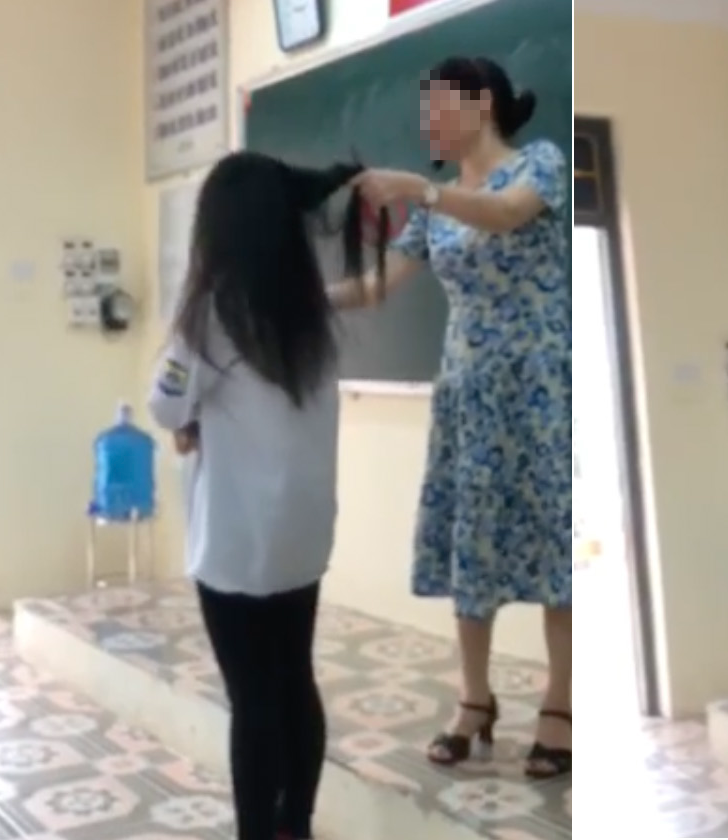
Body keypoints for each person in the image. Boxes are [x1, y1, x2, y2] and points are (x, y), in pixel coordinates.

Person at [328, 56, 571, 779]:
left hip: (539, 389)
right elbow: (377, 285)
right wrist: (294, 294)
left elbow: (508, 213)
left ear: (481, 103)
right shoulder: (436, 208)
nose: (427, 121)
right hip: (468, 393)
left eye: (438, 105)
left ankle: (560, 705)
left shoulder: (539, 162)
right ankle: (474, 699)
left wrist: (422, 188)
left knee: (553, 542)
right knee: (473, 545)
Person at [147, 150, 371, 840]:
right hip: (303, 536)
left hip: (237, 542)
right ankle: (294, 824)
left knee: (251, 698)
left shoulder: (211, 314)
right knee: (294, 679)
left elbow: (164, 404)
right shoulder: (314, 314)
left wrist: (189, 420)